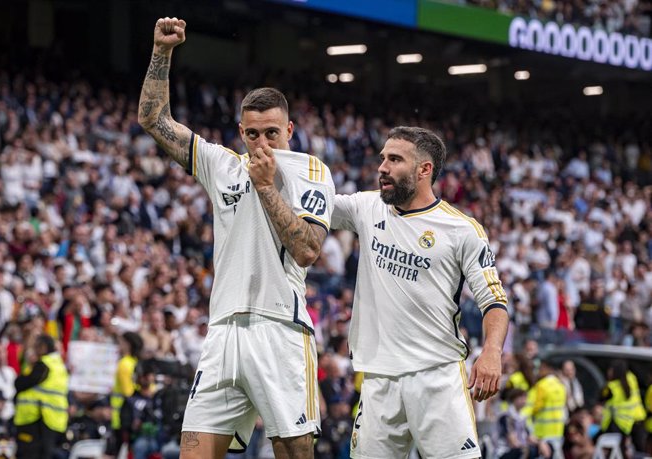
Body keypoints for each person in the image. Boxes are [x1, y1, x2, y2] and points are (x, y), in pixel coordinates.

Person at [137, 17, 335, 459]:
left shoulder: (311, 171)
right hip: (222, 332)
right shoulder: (221, 164)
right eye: (251, 133)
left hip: (280, 329)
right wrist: (162, 53)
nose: (261, 142)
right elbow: (153, 119)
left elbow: (307, 249)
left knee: (295, 453)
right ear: (240, 132)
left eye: (270, 132)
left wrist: (266, 186)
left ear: (289, 129)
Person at [331, 126, 509, 458]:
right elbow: (310, 202)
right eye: (383, 158)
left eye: (395, 159)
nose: (382, 167)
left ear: (424, 170)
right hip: (379, 377)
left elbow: (494, 300)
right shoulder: (365, 208)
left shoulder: (462, 230)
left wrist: (492, 352)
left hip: (437, 377)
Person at [13, 334, 69, 459]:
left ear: (43, 347)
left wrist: (30, 364)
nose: (34, 351)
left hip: (37, 419)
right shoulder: (59, 365)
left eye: (35, 347)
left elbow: (20, 384)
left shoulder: (44, 365)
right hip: (53, 420)